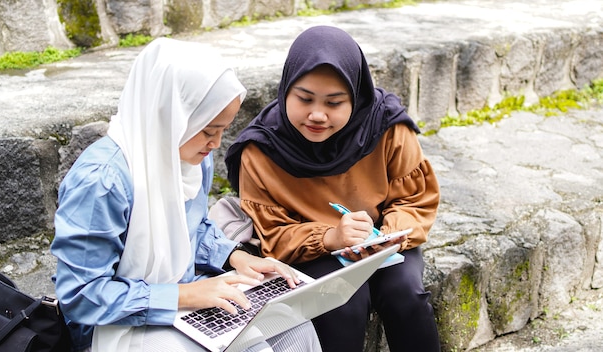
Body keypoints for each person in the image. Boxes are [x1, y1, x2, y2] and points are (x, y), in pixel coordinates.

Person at [50, 37, 322, 352]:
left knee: (294, 327)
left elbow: (190, 228)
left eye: (223, 129)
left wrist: (237, 257)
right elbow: (82, 296)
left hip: (187, 296)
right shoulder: (102, 181)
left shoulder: (189, 159)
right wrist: (184, 296)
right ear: (170, 115)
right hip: (115, 325)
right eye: (208, 131)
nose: (216, 144)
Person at [225, 26, 441, 352]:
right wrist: (331, 238)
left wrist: (381, 239)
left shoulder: (386, 127)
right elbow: (272, 233)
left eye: (334, 102)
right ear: (285, 90)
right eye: (304, 98)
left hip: (386, 240)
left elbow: (415, 199)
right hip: (314, 249)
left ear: (356, 96)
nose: (317, 114)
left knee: (406, 293)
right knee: (341, 303)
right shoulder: (263, 149)